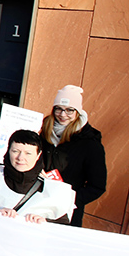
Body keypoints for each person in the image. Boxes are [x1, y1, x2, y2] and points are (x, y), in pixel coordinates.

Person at [39, 85, 106, 227]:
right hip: (37, 205)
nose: (63, 115)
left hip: (66, 214)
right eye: (59, 109)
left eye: (70, 110)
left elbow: (97, 186)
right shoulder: (44, 132)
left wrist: (69, 199)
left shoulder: (90, 144)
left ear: (78, 112)